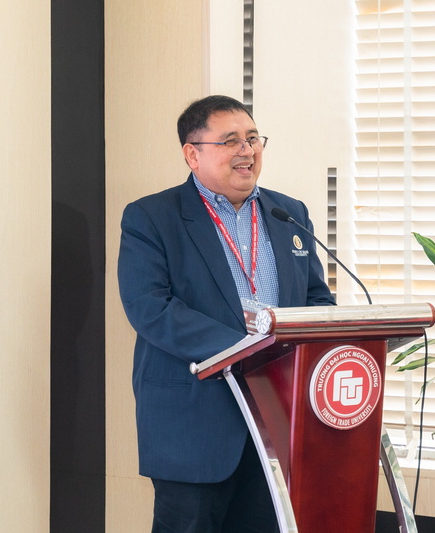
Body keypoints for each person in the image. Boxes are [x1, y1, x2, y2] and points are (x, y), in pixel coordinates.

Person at [117, 95, 335, 532]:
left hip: (277, 423)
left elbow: (317, 299)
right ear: (192, 154)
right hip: (194, 425)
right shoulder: (151, 217)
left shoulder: (289, 213)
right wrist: (250, 349)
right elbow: (150, 308)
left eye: (253, 139)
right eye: (231, 140)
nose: (247, 150)